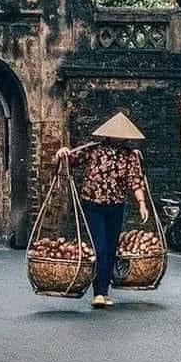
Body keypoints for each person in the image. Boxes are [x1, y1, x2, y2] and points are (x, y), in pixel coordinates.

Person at [56, 112, 149, 309]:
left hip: (116, 204)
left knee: (111, 247)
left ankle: (104, 290)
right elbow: (70, 159)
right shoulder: (92, 150)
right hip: (93, 203)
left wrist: (142, 203)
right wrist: (63, 151)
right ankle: (98, 292)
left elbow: (135, 180)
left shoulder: (130, 156)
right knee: (100, 248)